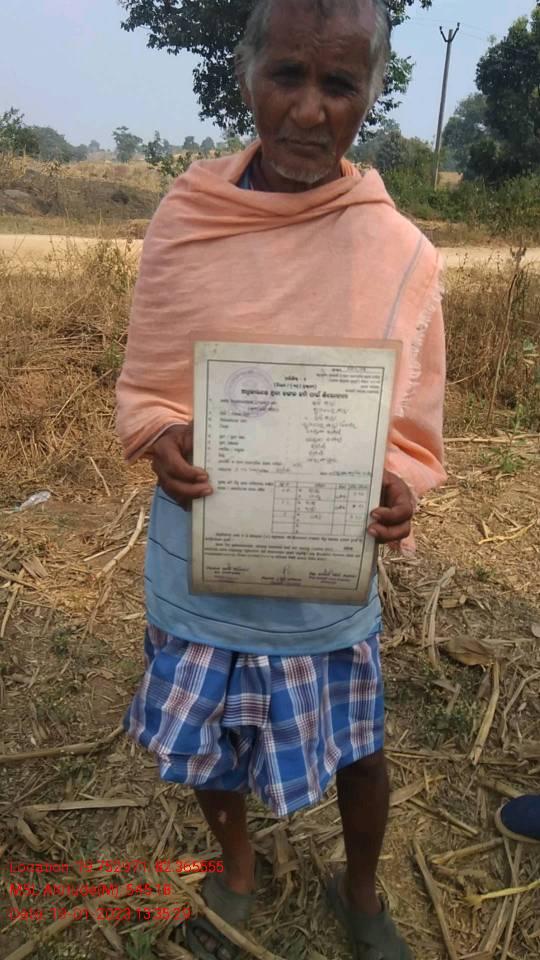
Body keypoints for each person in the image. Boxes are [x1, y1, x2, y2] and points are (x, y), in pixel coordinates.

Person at [116, 1, 447, 957]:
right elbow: (147, 385)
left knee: (360, 748)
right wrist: (162, 435)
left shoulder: (398, 253)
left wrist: (400, 484)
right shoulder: (189, 218)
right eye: (287, 76)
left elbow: (412, 422)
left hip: (324, 571)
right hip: (202, 553)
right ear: (247, 74)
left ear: (369, 95)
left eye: (339, 84)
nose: (309, 110)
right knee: (211, 745)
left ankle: (363, 888)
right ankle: (238, 870)